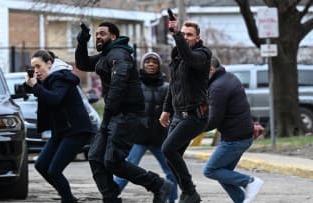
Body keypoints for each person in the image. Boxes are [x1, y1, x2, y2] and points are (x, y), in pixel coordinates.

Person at [75, 22, 174, 203]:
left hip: (127, 116)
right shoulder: (106, 56)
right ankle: (110, 197)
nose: (98, 37)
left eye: (102, 34)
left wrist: (105, 120)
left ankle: (158, 185)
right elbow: (82, 64)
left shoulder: (120, 55)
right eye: (96, 34)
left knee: (112, 161)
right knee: (96, 157)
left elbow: (117, 87)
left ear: (113, 37)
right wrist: (82, 41)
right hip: (116, 115)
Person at [25, 50, 96, 203]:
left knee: (54, 171)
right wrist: (32, 86)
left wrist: (36, 87)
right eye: (33, 68)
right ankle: (66, 196)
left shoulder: (61, 77)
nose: (36, 71)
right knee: (41, 165)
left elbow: (55, 99)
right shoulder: (48, 80)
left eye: (39, 66)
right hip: (61, 131)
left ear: (49, 63)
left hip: (76, 130)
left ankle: (68, 199)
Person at [113, 52, 178, 203]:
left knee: (171, 172)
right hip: (138, 138)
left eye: (154, 62)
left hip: (160, 138)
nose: (150, 64)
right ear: (142, 65)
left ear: (158, 65)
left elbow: (173, 112)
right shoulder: (135, 86)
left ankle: (172, 200)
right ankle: (111, 196)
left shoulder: (167, 88)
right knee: (126, 169)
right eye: (147, 61)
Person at [159, 19, 212, 203]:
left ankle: (190, 192)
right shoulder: (177, 56)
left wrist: (177, 35)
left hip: (195, 115)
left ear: (198, 38)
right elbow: (173, 86)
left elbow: (190, 58)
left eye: (190, 34)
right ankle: (187, 193)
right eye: (184, 34)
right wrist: (166, 110)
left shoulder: (203, 54)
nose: (186, 37)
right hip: (177, 115)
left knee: (168, 148)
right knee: (171, 157)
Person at [202, 57, 264, 203]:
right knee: (223, 173)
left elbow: (214, 119)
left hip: (235, 139)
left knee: (210, 170)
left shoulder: (218, 86)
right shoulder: (227, 77)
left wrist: (192, 130)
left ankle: (249, 181)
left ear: (210, 69)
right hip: (241, 135)